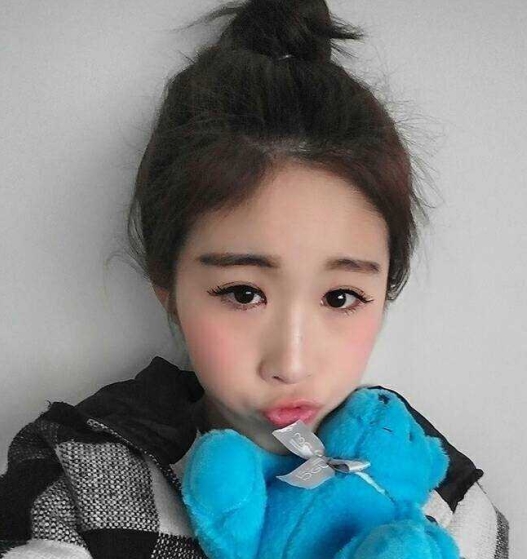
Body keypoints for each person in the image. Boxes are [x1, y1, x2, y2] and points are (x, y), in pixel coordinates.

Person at [0, 0, 509, 558]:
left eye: (341, 297)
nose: (291, 363)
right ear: (167, 284)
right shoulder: (80, 477)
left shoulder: (445, 505)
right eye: (244, 294)